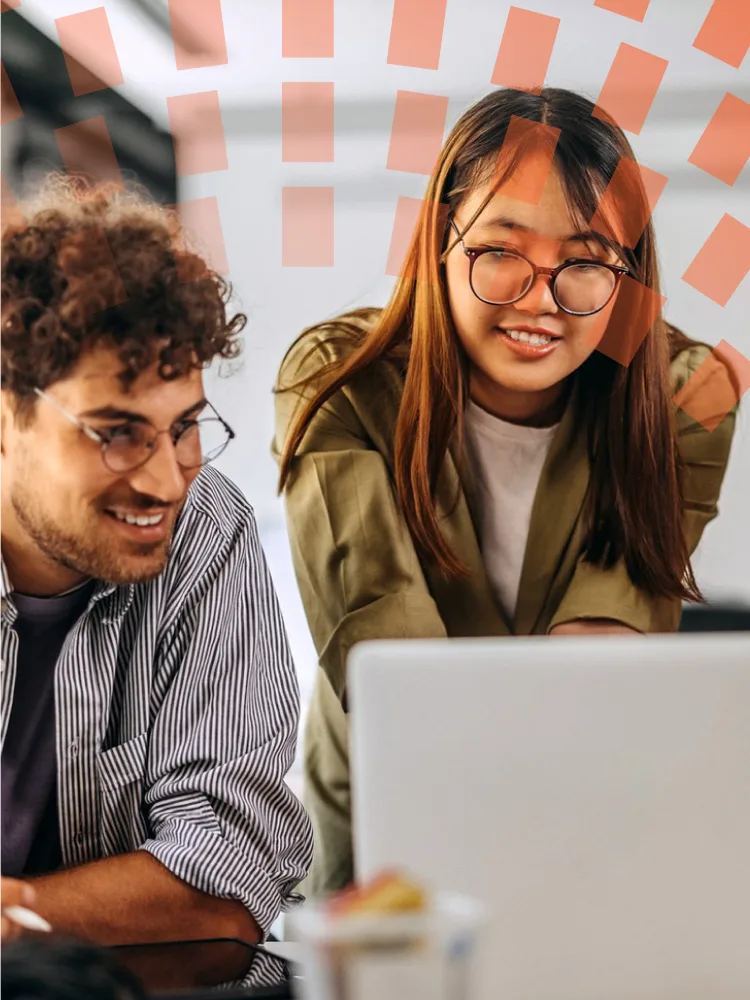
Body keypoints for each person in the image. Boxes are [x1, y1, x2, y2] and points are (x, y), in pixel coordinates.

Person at [272, 87, 739, 895]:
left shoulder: (685, 393)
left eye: (586, 263)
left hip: (579, 807)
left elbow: (597, 665)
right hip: (384, 817)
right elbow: (395, 676)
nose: (540, 300)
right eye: (501, 251)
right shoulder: (338, 383)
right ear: (438, 243)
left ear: (626, 277)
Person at [1, 177, 313, 986]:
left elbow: (222, 908)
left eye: (183, 429)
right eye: (115, 435)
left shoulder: (208, 533)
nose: (168, 482)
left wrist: (18, 920)